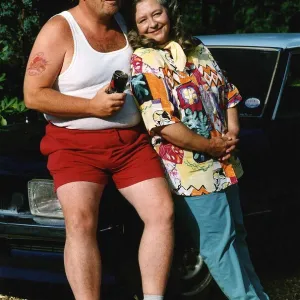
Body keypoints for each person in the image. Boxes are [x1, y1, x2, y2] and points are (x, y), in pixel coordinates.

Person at [23, 1, 175, 299]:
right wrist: (90, 107)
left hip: (130, 143)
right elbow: (32, 95)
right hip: (74, 146)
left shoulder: (127, 19)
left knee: (162, 213)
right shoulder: (59, 29)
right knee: (80, 222)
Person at [128, 0, 269, 299]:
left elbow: (228, 92)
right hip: (191, 169)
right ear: (136, 27)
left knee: (237, 237)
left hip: (226, 161)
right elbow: (160, 121)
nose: (152, 23)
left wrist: (231, 134)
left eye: (157, 14)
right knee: (218, 244)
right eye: (143, 20)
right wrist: (210, 146)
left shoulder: (197, 47)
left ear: (169, 13)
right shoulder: (143, 60)